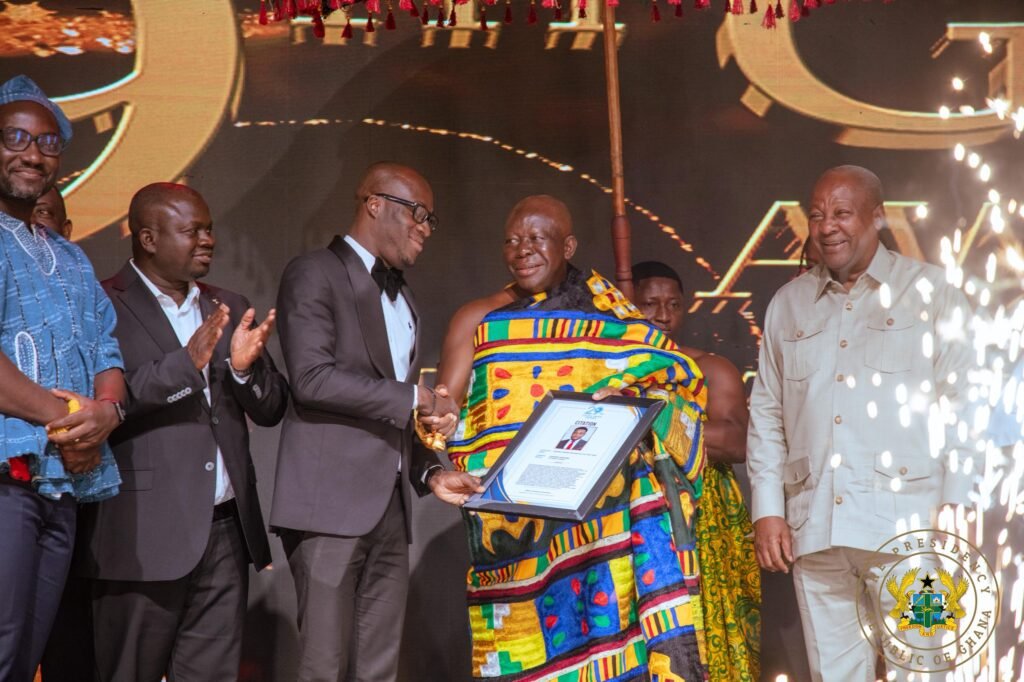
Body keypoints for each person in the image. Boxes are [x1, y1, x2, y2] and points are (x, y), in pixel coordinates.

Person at [428, 195, 708, 681]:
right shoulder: (479, 317)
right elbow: (444, 404)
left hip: (604, 530)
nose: (522, 250)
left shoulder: (613, 318)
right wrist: (443, 422)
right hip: (515, 532)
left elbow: (670, 376)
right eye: (512, 241)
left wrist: (636, 397)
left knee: (614, 653)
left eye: (536, 238)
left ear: (568, 245)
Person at [747, 166, 974, 681]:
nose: (827, 226)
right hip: (816, 528)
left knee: (924, 671)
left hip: (910, 530)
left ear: (877, 217)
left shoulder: (931, 293)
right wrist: (767, 510)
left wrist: (957, 510)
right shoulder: (789, 304)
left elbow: (964, 407)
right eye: (817, 214)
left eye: (842, 213)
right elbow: (766, 414)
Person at [75, 182, 289, 681]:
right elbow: (103, 403)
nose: (207, 239)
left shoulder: (229, 304)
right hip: (140, 537)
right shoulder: (101, 304)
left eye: (210, 229)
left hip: (224, 532)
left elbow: (274, 407)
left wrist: (241, 371)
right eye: (192, 231)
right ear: (147, 238)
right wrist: (184, 365)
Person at [271, 162, 474, 682]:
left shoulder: (403, 298)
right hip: (327, 507)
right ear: (375, 203)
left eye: (432, 220)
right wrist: (415, 396)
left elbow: (395, 409)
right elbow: (313, 378)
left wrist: (430, 471)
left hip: (389, 509)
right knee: (324, 665)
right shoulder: (314, 272)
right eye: (419, 214)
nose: (426, 229)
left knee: (379, 667)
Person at [0, 74, 125, 681]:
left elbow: (107, 352)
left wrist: (105, 413)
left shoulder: (71, 257)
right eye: (16, 137)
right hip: (6, 479)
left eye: (48, 143)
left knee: (27, 652)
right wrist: (75, 423)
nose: (32, 153)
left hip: (61, 485)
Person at [633, 260, 760, 681]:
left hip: (705, 519)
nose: (663, 315)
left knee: (711, 638)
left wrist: (658, 419)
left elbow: (738, 441)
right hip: (636, 521)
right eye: (649, 304)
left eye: (673, 304)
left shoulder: (709, 368)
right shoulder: (609, 373)